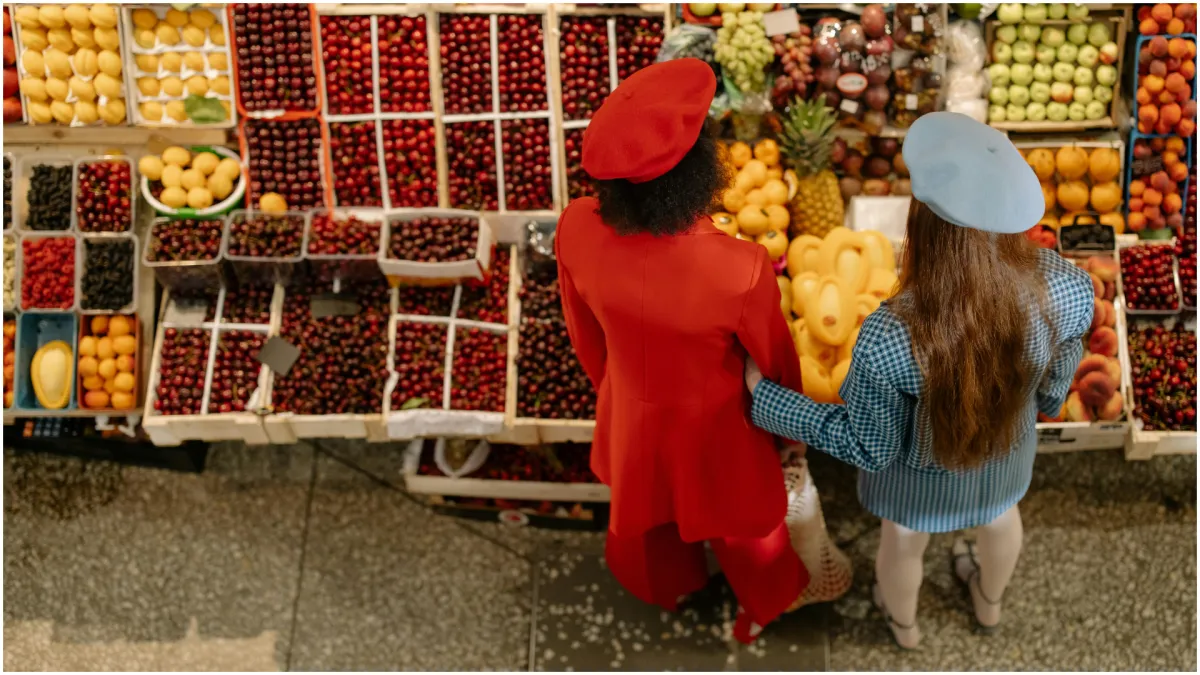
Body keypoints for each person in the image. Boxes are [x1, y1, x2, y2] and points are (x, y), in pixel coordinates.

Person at [744, 112, 1094, 649]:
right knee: (1002, 523)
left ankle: (904, 628)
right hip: (1007, 457)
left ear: (922, 225)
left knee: (904, 543)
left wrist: (766, 401)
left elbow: (868, 445)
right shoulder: (1070, 287)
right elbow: (1051, 393)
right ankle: (989, 603)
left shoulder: (890, 334)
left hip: (917, 483)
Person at [555, 58, 808, 644]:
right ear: (699, 170)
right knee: (746, 529)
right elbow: (775, 365)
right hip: (718, 427)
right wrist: (789, 436)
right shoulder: (738, 268)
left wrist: (618, 388)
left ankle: (666, 588)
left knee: (646, 524)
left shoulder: (576, 227)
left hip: (631, 414)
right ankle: (762, 605)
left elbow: (583, 335)